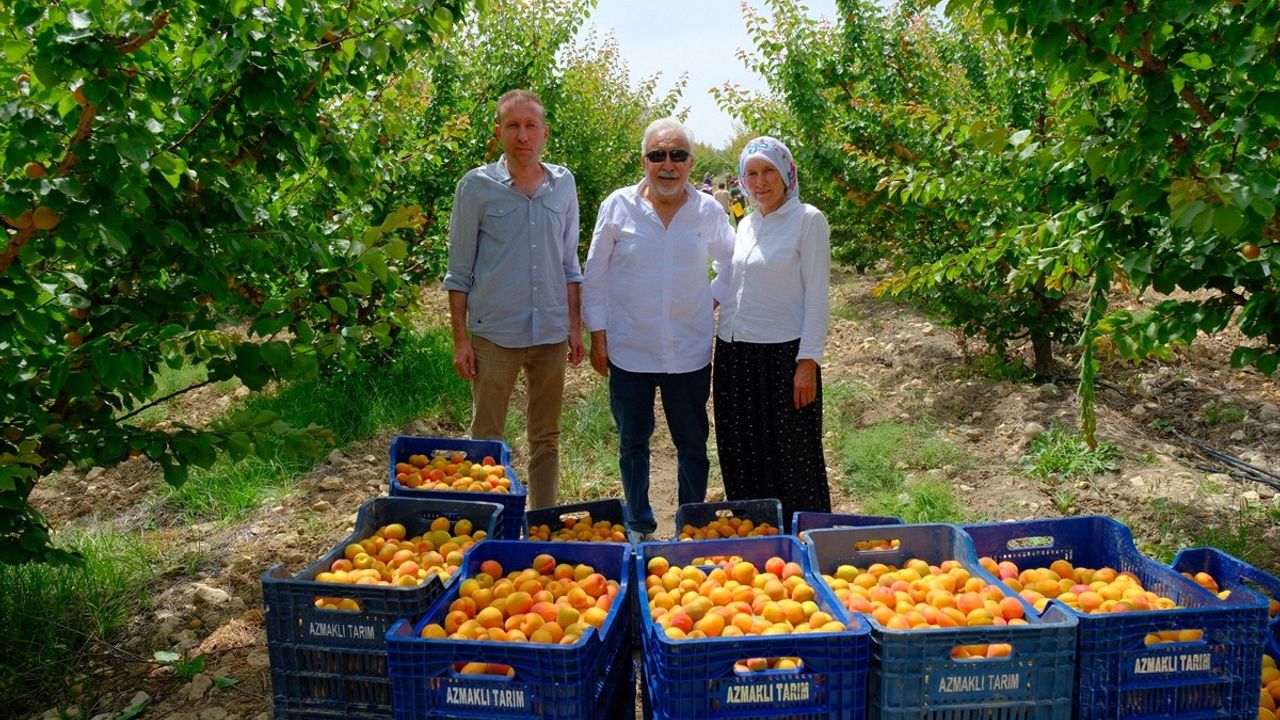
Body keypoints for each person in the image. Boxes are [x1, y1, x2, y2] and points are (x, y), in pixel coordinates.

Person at [582, 118, 736, 539]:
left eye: (677, 155)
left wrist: (710, 299)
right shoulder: (617, 206)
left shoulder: (707, 211)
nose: (668, 165)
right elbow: (595, 276)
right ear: (644, 160)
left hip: (687, 349)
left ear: (691, 162)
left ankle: (690, 523)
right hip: (630, 348)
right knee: (633, 442)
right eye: (658, 155)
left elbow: (731, 263)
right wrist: (598, 336)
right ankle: (638, 522)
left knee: (692, 444)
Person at [443, 89, 585, 510]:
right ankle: (489, 520)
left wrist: (575, 330)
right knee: (487, 436)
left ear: (545, 133)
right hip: (495, 333)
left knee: (547, 436)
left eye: (530, 126)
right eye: (512, 126)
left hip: (550, 333)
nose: (522, 135)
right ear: (499, 132)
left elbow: (569, 263)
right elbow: (459, 272)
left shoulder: (564, 185)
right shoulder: (476, 187)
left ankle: (542, 523)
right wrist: (460, 340)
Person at [710, 136, 831, 531]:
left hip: (783, 356)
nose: (760, 182)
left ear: (787, 174)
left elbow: (817, 296)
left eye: (768, 172)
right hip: (734, 352)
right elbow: (729, 283)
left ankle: (801, 537)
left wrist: (807, 361)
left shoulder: (807, 221)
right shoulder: (745, 223)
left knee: (791, 453)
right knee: (742, 449)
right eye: (752, 173)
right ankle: (752, 534)